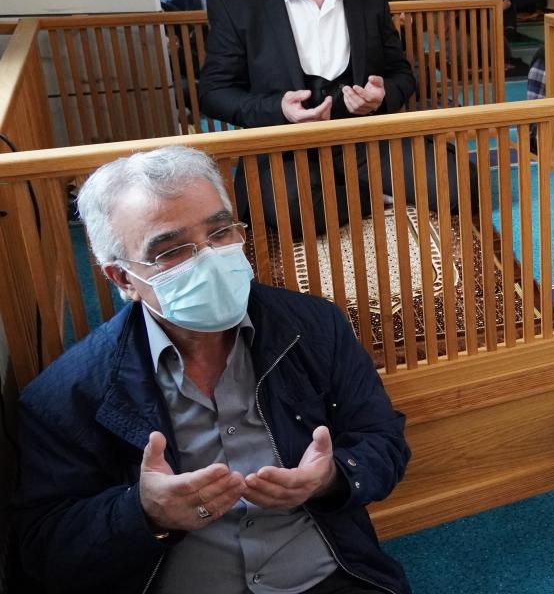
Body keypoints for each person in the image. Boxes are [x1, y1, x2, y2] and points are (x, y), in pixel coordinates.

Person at [13, 145, 412, 594]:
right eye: (171, 250)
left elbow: (383, 440)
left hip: (328, 576)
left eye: (220, 232)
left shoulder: (315, 327)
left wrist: (331, 477)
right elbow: (43, 546)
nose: (208, 258)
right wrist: (143, 513)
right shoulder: (66, 394)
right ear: (123, 278)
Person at [199, 0, 429, 234]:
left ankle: (357, 189)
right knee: (296, 212)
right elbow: (214, 92)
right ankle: (372, 195)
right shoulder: (237, 2)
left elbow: (401, 72)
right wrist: (279, 109)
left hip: (363, 137)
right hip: (286, 144)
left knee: (456, 183)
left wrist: (382, 96)